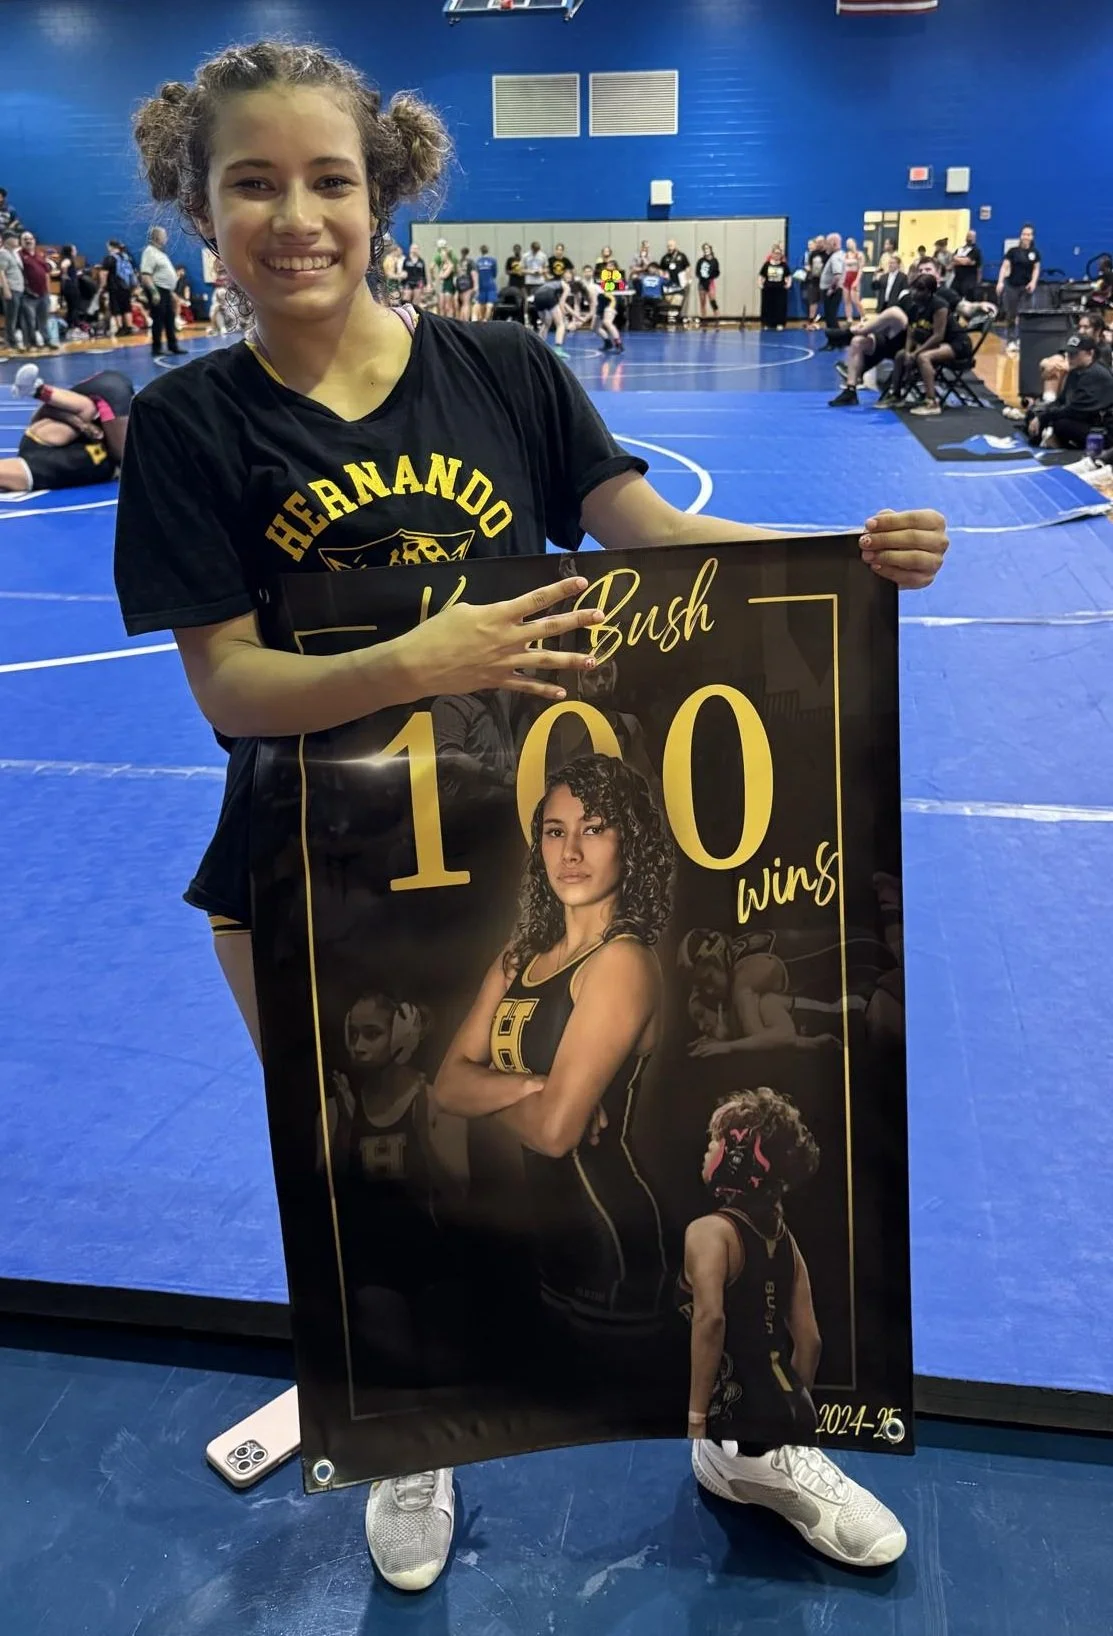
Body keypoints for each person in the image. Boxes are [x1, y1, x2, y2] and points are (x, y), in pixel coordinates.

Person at [112, 35, 948, 1600]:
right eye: (251, 184)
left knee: (702, 1124)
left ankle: (749, 1427)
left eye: (329, 180)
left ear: (385, 196)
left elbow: (647, 530)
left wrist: (839, 555)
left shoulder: (503, 370)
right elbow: (227, 683)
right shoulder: (188, 423)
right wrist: (421, 659)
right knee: (381, 1172)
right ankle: (418, 1429)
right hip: (318, 865)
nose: (296, 216)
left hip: (527, 839)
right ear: (194, 208)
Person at [434, 754, 673, 1350]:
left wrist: (495, 1093)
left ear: (629, 842)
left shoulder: (622, 962)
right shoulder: (519, 957)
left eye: (594, 829)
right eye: (555, 831)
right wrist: (528, 1089)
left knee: (605, 1398)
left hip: (614, 1240)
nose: (571, 852)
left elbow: (555, 1134)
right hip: (547, 1237)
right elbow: (446, 1085)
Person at [680, 1089, 822, 1455]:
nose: (708, 1149)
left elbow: (710, 1320)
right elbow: (810, 1342)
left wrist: (696, 1419)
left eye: (715, 1141)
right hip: (796, 1408)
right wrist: (789, 1407)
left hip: (735, 1419)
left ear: (738, 1155)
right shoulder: (786, 1241)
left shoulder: (709, 1232)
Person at [2, 363, 133, 492]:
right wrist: (83, 425)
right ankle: (36, 390)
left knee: (101, 398)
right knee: (92, 405)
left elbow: (48, 413)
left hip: (42, 453)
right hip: (48, 460)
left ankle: (36, 390)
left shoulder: (38, 454)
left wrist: (83, 426)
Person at [1026, 333, 1113, 450]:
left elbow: (1075, 410)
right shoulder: (1076, 371)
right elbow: (1062, 401)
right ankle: (1048, 437)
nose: (1070, 357)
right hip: (1085, 419)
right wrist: (1041, 413)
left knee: (1061, 424)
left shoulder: (1096, 374)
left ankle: (1059, 441)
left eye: (1075, 354)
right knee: (1036, 412)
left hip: (1103, 429)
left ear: (1090, 353)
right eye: (1069, 353)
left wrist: (1044, 417)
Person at [139, 224, 184, 357]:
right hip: (158, 289)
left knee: (170, 318)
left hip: (165, 290)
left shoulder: (159, 253)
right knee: (158, 319)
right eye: (164, 236)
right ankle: (157, 348)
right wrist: (154, 292)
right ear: (157, 237)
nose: (166, 238)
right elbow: (145, 275)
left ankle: (173, 345)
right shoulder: (150, 252)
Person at [997, 224, 1040, 352]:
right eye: (1024, 234)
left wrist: (1033, 282)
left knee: (1024, 315)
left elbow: (1036, 269)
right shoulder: (1013, 251)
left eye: (1028, 234)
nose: (1026, 237)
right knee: (1011, 314)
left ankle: (1022, 339)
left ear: (1032, 237)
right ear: (1021, 236)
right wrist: (1000, 282)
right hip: (1012, 286)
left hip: (1026, 288)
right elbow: (1004, 266)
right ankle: (1011, 340)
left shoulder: (1035, 253)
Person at [19, 231, 56, 350]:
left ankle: (47, 341)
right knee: (28, 321)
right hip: (29, 294)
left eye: (30, 239)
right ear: (21, 241)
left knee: (43, 319)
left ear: (34, 241)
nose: (28, 241)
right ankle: (30, 344)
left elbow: (46, 272)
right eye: (25, 239)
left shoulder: (39, 255)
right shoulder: (19, 255)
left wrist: (48, 292)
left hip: (43, 293)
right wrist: (26, 289)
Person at [532, 268, 574, 354]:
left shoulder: (553, 283)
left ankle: (537, 347)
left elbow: (559, 302)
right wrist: (564, 315)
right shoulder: (566, 286)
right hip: (548, 295)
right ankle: (558, 350)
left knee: (546, 323)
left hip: (537, 295)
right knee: (560, 324)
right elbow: (562, 303)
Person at [100, 238, 137, 337]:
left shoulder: (109, 258)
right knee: (127, 307)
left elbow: (104, 273)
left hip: (114, 286)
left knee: (116, 308)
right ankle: (129, 327)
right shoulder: (125, 257)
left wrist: (103, 285)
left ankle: (120, 328)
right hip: (126, 286)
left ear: (111, 247)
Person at [0, 229, 28, 351]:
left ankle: (16, 341)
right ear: (7, 240)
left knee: (17, 317)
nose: (17, 240)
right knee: (11, 318)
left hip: (19, 288)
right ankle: (10, 343)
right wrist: (6, 289)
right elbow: (1, 272)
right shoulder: (3, 253)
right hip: (11, 288)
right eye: (14, 238)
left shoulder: (14, 253)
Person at [818, 234, 846, 328]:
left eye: (827, 243)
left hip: (832, 290)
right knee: (831, 315)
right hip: (835, 289)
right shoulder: (841, 254)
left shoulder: (835, 257)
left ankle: (835, 335)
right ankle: (834, 334)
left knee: (831, 316)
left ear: (833, 243)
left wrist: (831, 289)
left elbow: (837, 275)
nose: (826, 246)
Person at [758, 244, 788, 330]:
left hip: (780, 289)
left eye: (779, 253)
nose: (777, 255)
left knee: (780, 306)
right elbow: (761, 275)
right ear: (772, 254)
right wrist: (760, 284)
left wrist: (788, 284)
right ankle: (766, 323)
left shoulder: (784, 265)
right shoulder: (767, 264)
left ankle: (779, 323)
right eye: (775, 253)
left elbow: (788, 276)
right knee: (767, 306)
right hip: (768, 289)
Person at [951, 229, 983, 301]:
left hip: (969, 279)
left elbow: (966, 262)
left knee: (968, 298)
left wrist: (956, 259)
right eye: (968, 236)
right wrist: (964, 261)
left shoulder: (976, 250)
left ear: (974, 238)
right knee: (953, 296)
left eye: (971, 236)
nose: (969, 238)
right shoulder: (959, 249)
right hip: (957, 279)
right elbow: (952, 261)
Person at [802, 238, 826, 328]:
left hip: (825, 281)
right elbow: (809, 265)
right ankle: (811, 320)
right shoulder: (812, 254)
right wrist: (809, 270)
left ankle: (830, 320)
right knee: (813, 300)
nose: (819, 244)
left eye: (821, 242)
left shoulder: (827, 253)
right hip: (813, 280)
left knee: (827, 300)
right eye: (818, 242)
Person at [697, 242, 721, 323]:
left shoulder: (714, 261)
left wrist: (710, 277)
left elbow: (717, 272)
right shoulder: (700, 261)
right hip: (702, 283)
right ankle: (703, 318)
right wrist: (702, 277)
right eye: (704, 249)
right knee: (702, 302)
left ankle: (717, 317)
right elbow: (697, 272)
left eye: (707, 248)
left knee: (712, 301)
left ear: (710, 249)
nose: (706, 250)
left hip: (710, 283)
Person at [431, 238, 455, 317]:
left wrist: (439, 276)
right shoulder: (442, 264)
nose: (441, 257)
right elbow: (440, 275)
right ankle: (442, 320)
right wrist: (438, 276)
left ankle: (450, 320)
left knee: (448, 306)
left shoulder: (450, 265)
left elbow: (444, 276)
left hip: (448, 286)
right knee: (441, 306)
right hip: (442, 286)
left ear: (446, 256)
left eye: (443, 256)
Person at [474, 244, 498, 320]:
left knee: (484, 305)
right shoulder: (492, 260)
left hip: (483, 286)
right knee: (488, 306)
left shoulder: (478, 261)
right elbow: (494, 274)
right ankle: (485, 320)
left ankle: (484, 320)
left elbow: (476, 274)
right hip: (488, 286)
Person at [841, 237, 863, 322]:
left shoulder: (859, 254)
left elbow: (860, 269)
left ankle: (863, 316)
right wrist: (842, 281)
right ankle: (849, 318)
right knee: (847, 300)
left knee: (855, 300)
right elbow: (843, 269)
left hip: (854, 277)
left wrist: (857, 281)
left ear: (854, 243)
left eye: (850, 243)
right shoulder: (845, 255)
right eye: (847, 243)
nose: (849, 245)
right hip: (846, 278)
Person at [453, 246, 476, 321]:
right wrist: (476, 285)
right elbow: (473, 273)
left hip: (459, 283)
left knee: (463, 304)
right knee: (466, 304)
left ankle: (461, 321)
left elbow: (456, 275)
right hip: (467, 283)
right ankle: (465, 321)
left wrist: (456, 287)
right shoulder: (470, 262)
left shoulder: (459, 262)